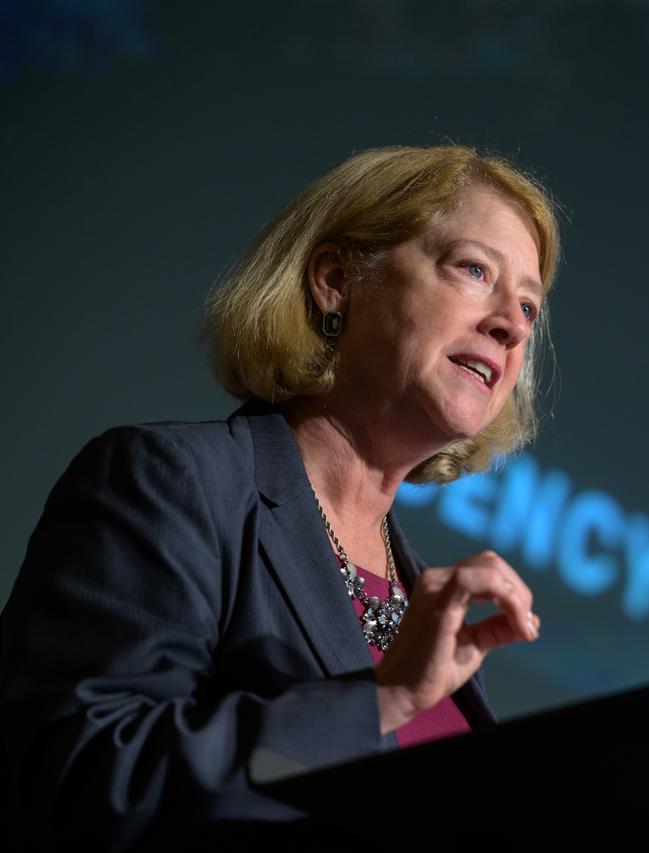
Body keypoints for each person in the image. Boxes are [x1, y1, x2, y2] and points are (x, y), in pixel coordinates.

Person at [0, 145, 559, 848]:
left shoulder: (417, 589)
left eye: (530, 306)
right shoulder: (172, 483)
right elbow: (86, 776)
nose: (511, 324)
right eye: (474, 270)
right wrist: (379, 700)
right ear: (335, 279)